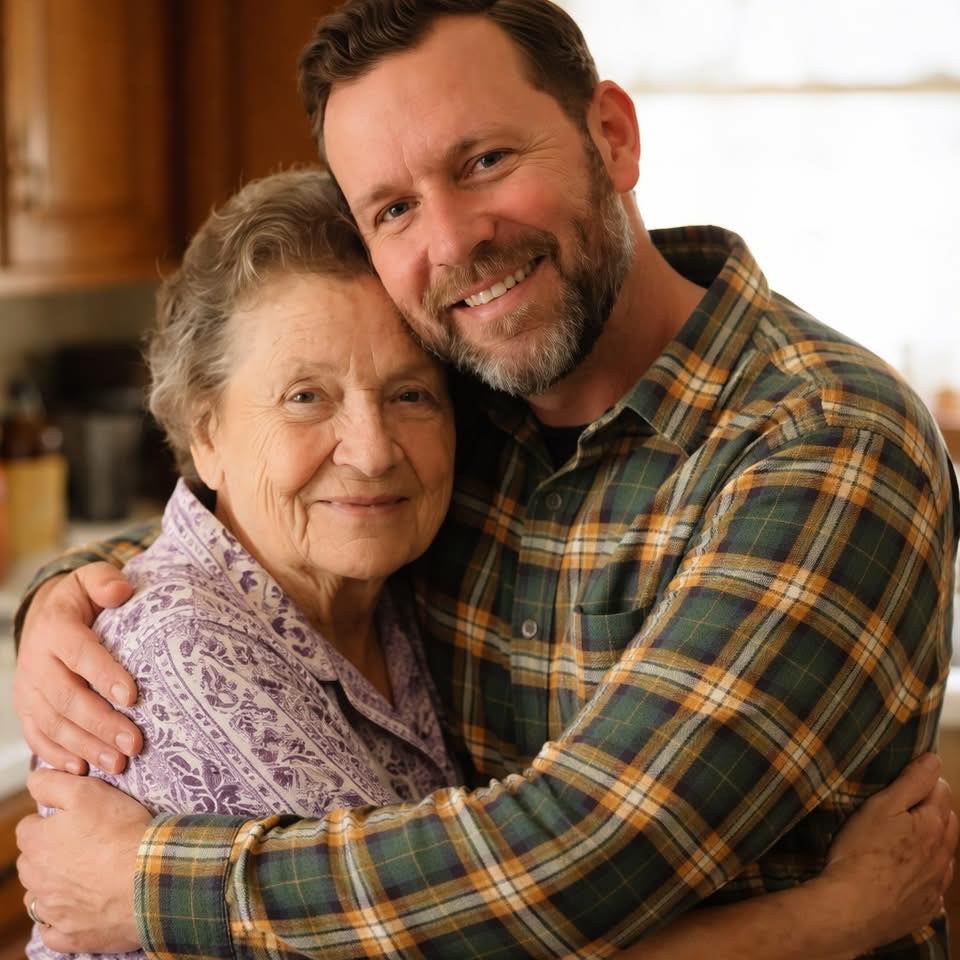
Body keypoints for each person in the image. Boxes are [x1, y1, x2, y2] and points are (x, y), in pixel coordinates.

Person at [14, 0, 959, 957]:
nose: (454, 241)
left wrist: (151, 884)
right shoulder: (476, 398)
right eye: (394, 208)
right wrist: (74, 601)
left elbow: (588, 852)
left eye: (484, 163)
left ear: (614, 138)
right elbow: (286, 515)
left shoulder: (823, 441)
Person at [24, 168, 460, 959]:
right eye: (306, 397)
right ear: (207, 435)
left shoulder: (384, 597)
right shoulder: (180, 654)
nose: (370, 452)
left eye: (412, 395)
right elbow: (443, 939)